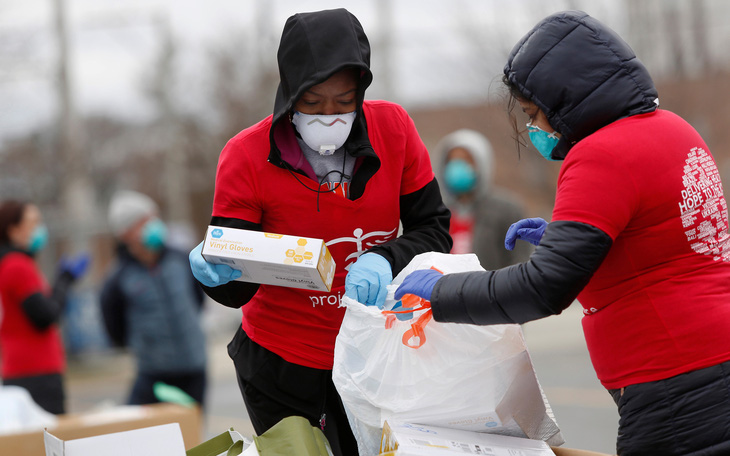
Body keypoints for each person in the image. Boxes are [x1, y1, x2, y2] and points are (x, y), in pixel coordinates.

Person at [396, 10, 730, 456]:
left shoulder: (601, 153)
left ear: (569, 101)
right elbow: (663, 243)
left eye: (536, 115)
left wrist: (441, 292)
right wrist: (565, 236)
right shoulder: (674, 129)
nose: (537, 129)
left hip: (676, 387)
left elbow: (542, 289)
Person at [188, 8, 451, 455]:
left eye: (344, 101)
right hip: (282, 364)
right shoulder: (246, 156)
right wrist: (218, 267)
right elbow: (237, 290)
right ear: (289, 93)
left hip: (373, 352)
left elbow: (434, 229)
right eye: (312, 103)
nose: (329, 116)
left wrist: (385, 257)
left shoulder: (395, 131)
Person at [100, 190, 207, 407]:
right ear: (125, 233)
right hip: (154, 376)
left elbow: (198, 300)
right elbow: (115, 327)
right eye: (144, 221)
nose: (154, 224)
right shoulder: (118, 278)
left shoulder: (181, 259)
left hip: (195, 368)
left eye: (154, 217)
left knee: (194, 437)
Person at [0, 200, 89, 414]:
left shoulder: (12, 263)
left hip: (21, 367)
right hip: (36, 371)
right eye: (34, 223)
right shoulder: (17, 265)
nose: (40, 229)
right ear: (13, 230)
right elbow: (45, 315)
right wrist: (64, 281)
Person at [434, 129, 532, 269]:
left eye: (466, 160)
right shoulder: (437, 212)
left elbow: (520, 262)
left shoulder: (507, 209)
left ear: (481, 164)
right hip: (447, 290)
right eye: (452, 161)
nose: (457, 166)